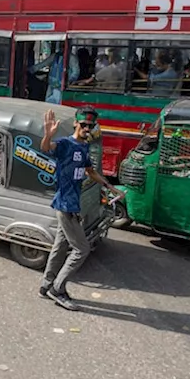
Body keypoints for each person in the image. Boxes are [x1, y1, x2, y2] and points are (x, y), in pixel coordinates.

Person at [37, 108, 119, 311]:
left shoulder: (84, 147)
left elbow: (91, 171)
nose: (87, 128)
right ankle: (58, 289)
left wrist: (109, 186)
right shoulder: (66, 144)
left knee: (60, 246)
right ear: (76, 123)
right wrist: (48, 134)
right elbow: (46, 148)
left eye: (91, 126)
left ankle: (46, 284)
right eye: (83, 125)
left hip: (74, 204)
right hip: (66, 205)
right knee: (81, 249)